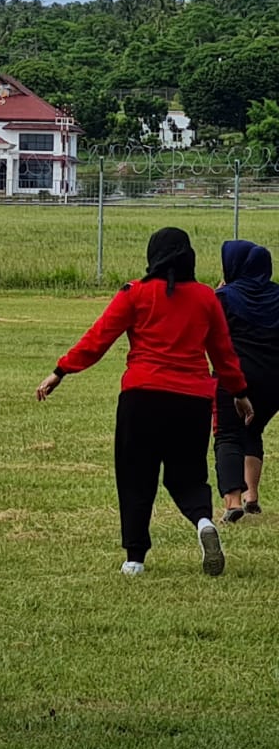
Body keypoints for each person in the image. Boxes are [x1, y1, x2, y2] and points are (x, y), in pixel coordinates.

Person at [36, 227, 251, 577]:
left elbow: (99, 337)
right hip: (192, 400)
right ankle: (202, 522)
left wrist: (61, 370)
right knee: (188, 474)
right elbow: (223, 354)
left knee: (136, 475)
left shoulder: (134, 293)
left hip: (142, 396)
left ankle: (135, 558)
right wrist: (239, 393)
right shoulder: (206, 298)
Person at [213, 239, 279, 523]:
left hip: (235, 376)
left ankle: (233, 501)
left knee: (228, 434)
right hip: (274, 381)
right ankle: (252, 497)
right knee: (253, 431)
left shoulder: (225, 298)